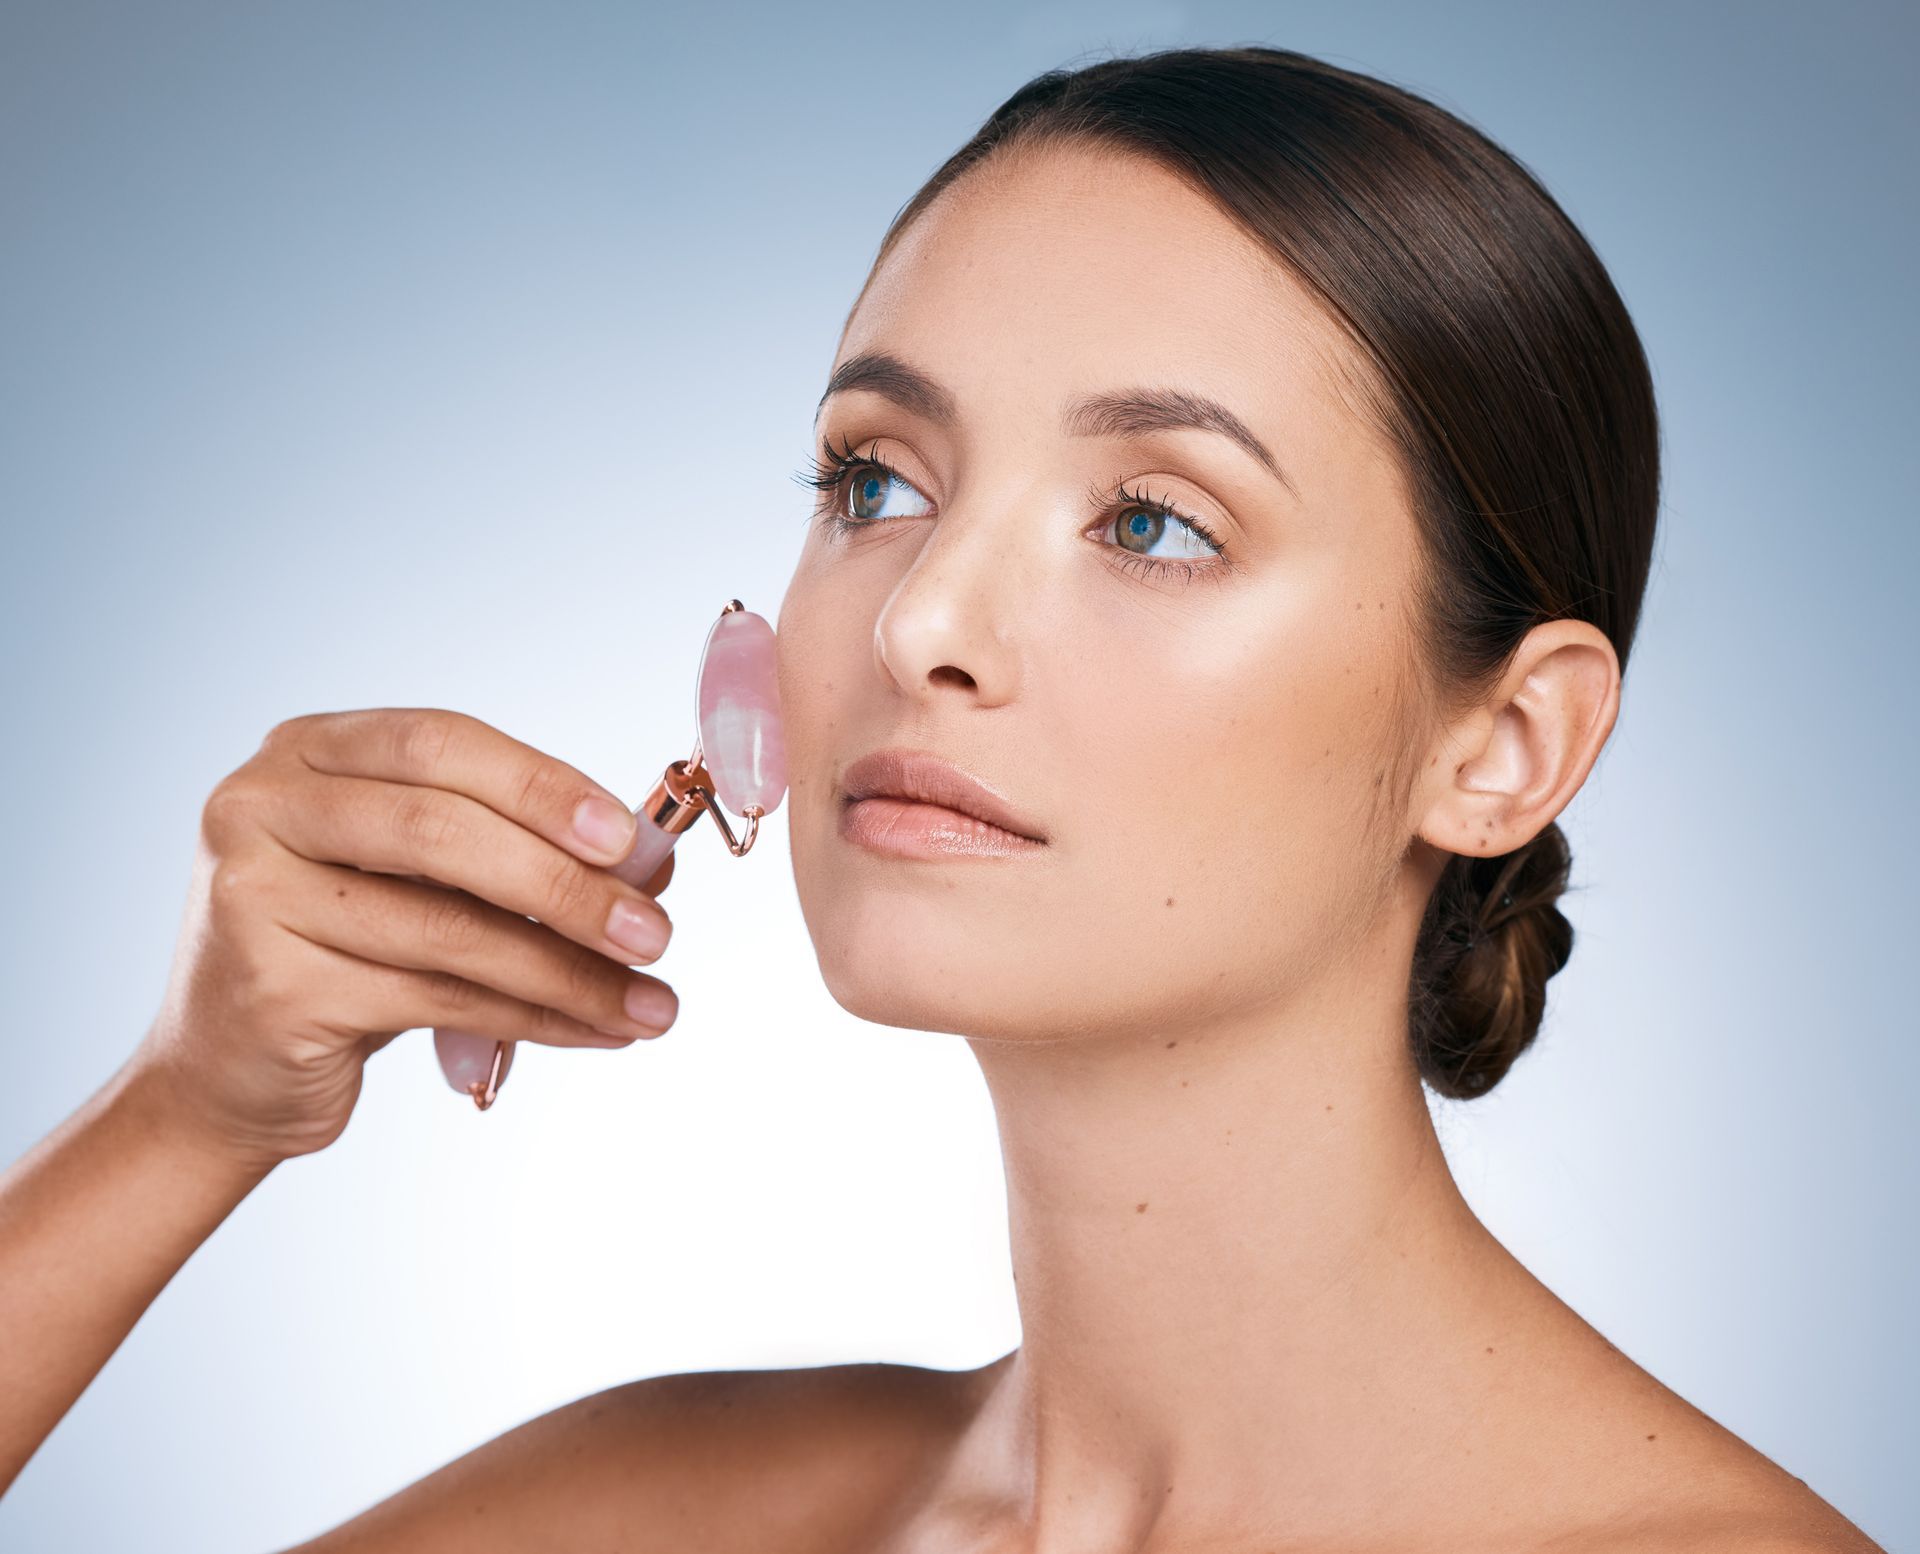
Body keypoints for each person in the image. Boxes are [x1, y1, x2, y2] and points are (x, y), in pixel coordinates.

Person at [0, 44, 1881, 1553]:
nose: (924, 618)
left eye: (1153, 520)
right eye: (874, 482)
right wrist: (189, 1113)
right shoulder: (659, 1507)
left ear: (1507, 747)